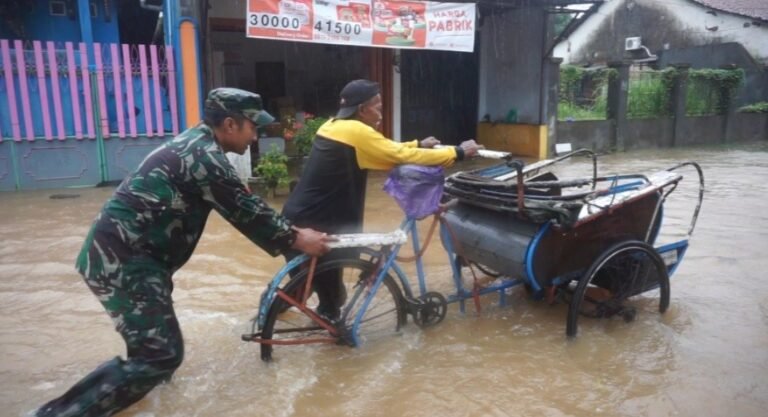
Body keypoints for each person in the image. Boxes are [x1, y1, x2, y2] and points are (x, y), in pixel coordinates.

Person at [35, 88, 334, 417]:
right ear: (231, 124)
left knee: (153, 349)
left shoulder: (198, 143)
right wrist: (297, 238)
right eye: (253, 127)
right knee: (160, 355)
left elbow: (245, 207)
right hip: (123, 261)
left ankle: (146, 402)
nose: (255, 137)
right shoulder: (204, 158)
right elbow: (246, 210)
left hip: (135, 257)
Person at [281, 78, 482, 319]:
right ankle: (333, 342)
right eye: (377, 104)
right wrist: (458, 152)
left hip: (299, 216)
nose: (381, 109)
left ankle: (273, 320)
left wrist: (418, 144)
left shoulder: (333, 126)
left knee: (304, 289)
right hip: (318, 222)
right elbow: (396, 155)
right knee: (329, 299)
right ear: (362, 110)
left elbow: (384, 148)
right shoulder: (358, 131)